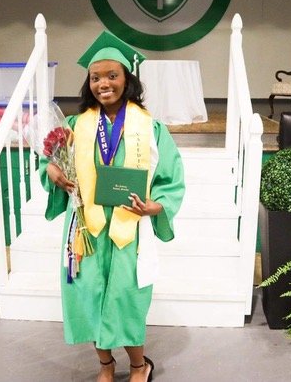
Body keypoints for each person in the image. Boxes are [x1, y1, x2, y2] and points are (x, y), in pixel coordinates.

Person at [39, 31, 185, 382]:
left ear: (127, 79)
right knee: (88, 294)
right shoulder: (75, 126)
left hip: (127, 226)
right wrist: (52, 171)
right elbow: (51, 163)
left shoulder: (150, 128)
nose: (103, 83)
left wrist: (155, 207)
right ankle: (105, 365)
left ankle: (138, 365)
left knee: (125, 297)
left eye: (112, 75)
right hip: (85, 228)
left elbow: (171, 177)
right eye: (95, 77)